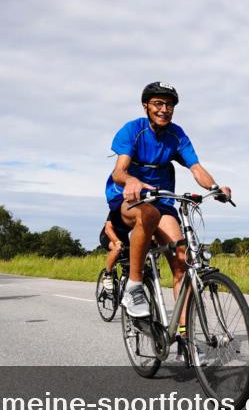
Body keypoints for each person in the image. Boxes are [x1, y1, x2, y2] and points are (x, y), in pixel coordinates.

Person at [105, 81, 231, 341]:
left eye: (170, 105)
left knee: (183, 260)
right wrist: (131, 180)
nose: (164, 109)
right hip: (128, 198)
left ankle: (185, 336)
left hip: (161, 201)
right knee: (148, 214)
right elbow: (119, 171)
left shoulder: (176, 135)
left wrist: (215, 187)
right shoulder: (133, 130)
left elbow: (196, 168)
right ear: (146, 106)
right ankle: (134, 286)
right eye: (158, 104)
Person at [99, 207, 131, 293]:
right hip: (108, 235)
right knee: (118, 248)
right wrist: (117, 242)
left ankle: (125, 276)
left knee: (130, 258)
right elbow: (108, 228)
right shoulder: (117, 209)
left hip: (124, 237)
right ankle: (107, 275)